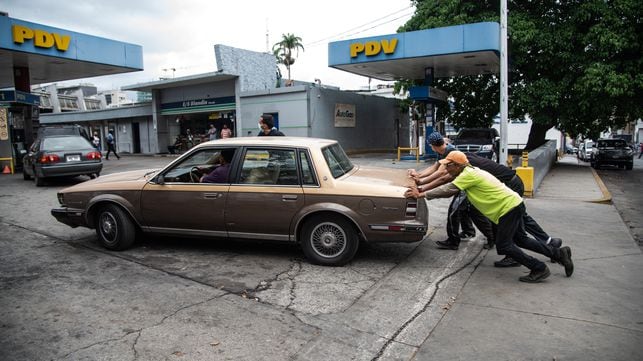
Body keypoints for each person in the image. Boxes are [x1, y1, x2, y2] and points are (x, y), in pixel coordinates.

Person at [405, 151, 574, 283]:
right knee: (521, 240)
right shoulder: (470, 170)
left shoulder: (468, 175)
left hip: (508, 208)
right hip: (512, 205)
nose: (446, 168)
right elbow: (444, 179)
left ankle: (539, 268)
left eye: (448, 165)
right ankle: (559, 254)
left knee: (505, 245)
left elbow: (447, 189)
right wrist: (421, 183)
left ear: (457, 165)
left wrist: (420, 194)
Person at [409, 131, 474, 249]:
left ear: (433, 146)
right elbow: (434, 167)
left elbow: (441, 175)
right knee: (463, 209)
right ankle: (469, 231)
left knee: (454, 211)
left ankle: (453, 242)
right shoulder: (443, 151)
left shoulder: (451, 152)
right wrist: (419, 175)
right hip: (463, 182)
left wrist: (421, 185)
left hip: (465, 182)